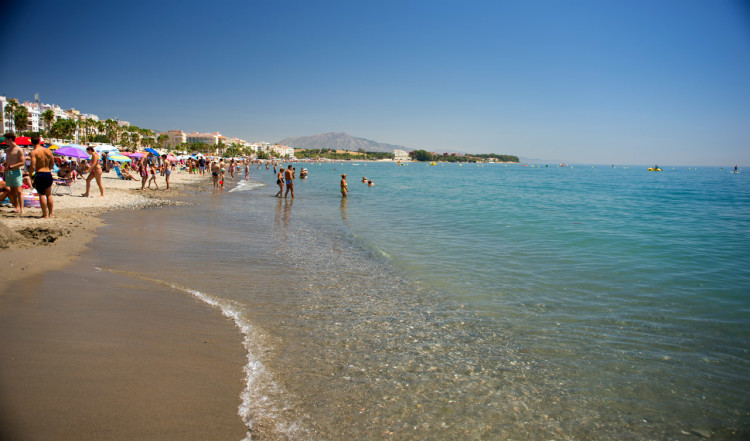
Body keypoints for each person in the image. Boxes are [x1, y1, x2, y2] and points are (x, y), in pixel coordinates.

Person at [29, 134, 54, 218]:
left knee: (42, 194)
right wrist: (48, 169)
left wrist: (31, 175)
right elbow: (52, 163)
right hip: (48, 173)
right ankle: (51, 214)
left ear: (32, 143)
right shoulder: (48, 151)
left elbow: (32, 166)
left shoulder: (34, 152)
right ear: (39, 141)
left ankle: (45, 214)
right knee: (49, 195)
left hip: (40, 173)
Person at [3, 132, 25, 213]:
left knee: (19, 190)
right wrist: (5, 171)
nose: (5, 141)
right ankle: (17, 207)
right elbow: (7, 162)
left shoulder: (19, 149)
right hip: (8, 172)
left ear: (10, 139)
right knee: (12, 191)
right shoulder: (7, 150)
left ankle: (22, 209)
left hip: (16, 172)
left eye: (5, 139)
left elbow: (22, 162)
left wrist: (12, 166)